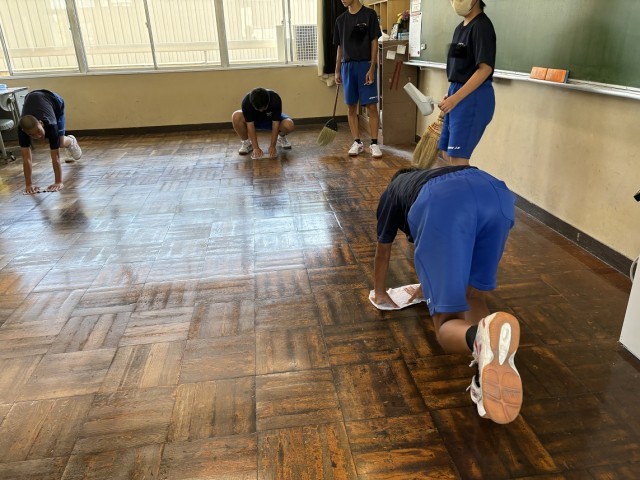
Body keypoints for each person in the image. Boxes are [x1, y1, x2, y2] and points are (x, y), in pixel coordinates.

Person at [373, 160, 522, 424]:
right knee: (474, 295)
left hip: (445, 204)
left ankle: (478, 338)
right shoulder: (424, 179)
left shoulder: (392, 192)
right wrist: (426, 286)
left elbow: (383, 250)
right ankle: (485, 373)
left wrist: (380, 293)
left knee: (446, 325)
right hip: (495, 194)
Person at [438, 0, 495, 164]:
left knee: (458, 159)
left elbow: (485, 69)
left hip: (474, 97)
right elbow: (459, 67)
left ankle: (468, 182)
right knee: (446, 154)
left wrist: (455, 98)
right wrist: (450, 94)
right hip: (457, 93)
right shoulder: (459, 29)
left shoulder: (482, 26)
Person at [333, 0, 382, 158]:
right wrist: (337, 70)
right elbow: (340, 47)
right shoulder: (340, 20)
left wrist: (372, 67)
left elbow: (374, 42)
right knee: (351, 107)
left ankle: (374, 143)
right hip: (347, 67)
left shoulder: (370, 15)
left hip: (365, 65)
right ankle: (357, 142)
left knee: (372, 107)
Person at [18, 89, 82, 194]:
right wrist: (29, 184)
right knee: (54, 141)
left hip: (55, 102)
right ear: (24, 131)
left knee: (60, 143)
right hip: (33, 99)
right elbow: (26, 158)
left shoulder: (51, 125)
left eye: (39, 131)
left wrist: (58, 182)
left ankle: (71, 141)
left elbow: (55, 156)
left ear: (41, 123)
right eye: (32, 135)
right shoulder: (21, 130)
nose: (38, 136)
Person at [231, 87, 295, 159]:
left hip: (270, 119)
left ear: (268, 102)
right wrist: (256, 147)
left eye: (264, 108)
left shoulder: (275, 98)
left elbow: (275, 123)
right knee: (236, 116)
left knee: (289, 125)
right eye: (258, 109)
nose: (261, 111)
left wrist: (272, 146)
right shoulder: (246, 102)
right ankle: (246, 143)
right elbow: (250, 125)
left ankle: (281, 137)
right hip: (255, 120)